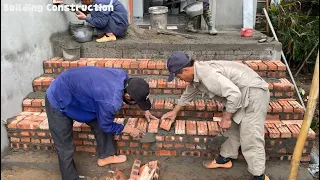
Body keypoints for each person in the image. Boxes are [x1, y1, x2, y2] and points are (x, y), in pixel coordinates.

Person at [161, 52, 270, 180]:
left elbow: (234, 95)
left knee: (250, 134)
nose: (180, 79)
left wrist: (226, 117)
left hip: (254, 93)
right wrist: (174, 112)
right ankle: (225, 159)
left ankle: (259, 176)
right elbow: (189, 92)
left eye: (179, 76)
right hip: (241, 92)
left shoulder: (208, 75)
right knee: (231, 127)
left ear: (185, 70)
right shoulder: (197, 74)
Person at [45, 66, 158, 180]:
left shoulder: (123, 77)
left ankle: (106, 156)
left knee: (102, 119)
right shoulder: (111, 101)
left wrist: (145, 109)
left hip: (78, 92)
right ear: (128, 95)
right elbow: (105, 125)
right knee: (64, 146)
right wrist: (129, 129)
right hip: (58, 97)